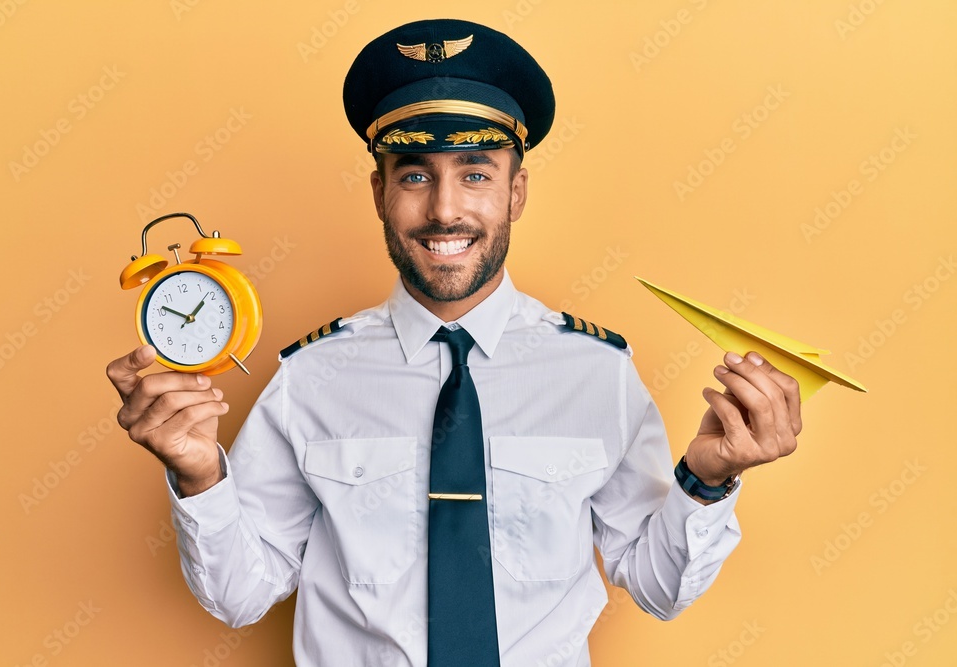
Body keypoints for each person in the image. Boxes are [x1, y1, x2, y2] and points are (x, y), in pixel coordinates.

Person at [106, 18, 801, 666]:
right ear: (378, 193)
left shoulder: (599, 373)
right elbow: (240, 595)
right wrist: (199, 476)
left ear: (516, 192)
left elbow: (657, 587)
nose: (444, 209)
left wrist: (706, 480)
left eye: (475, 173)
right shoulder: (310, 378)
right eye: (415, 174)